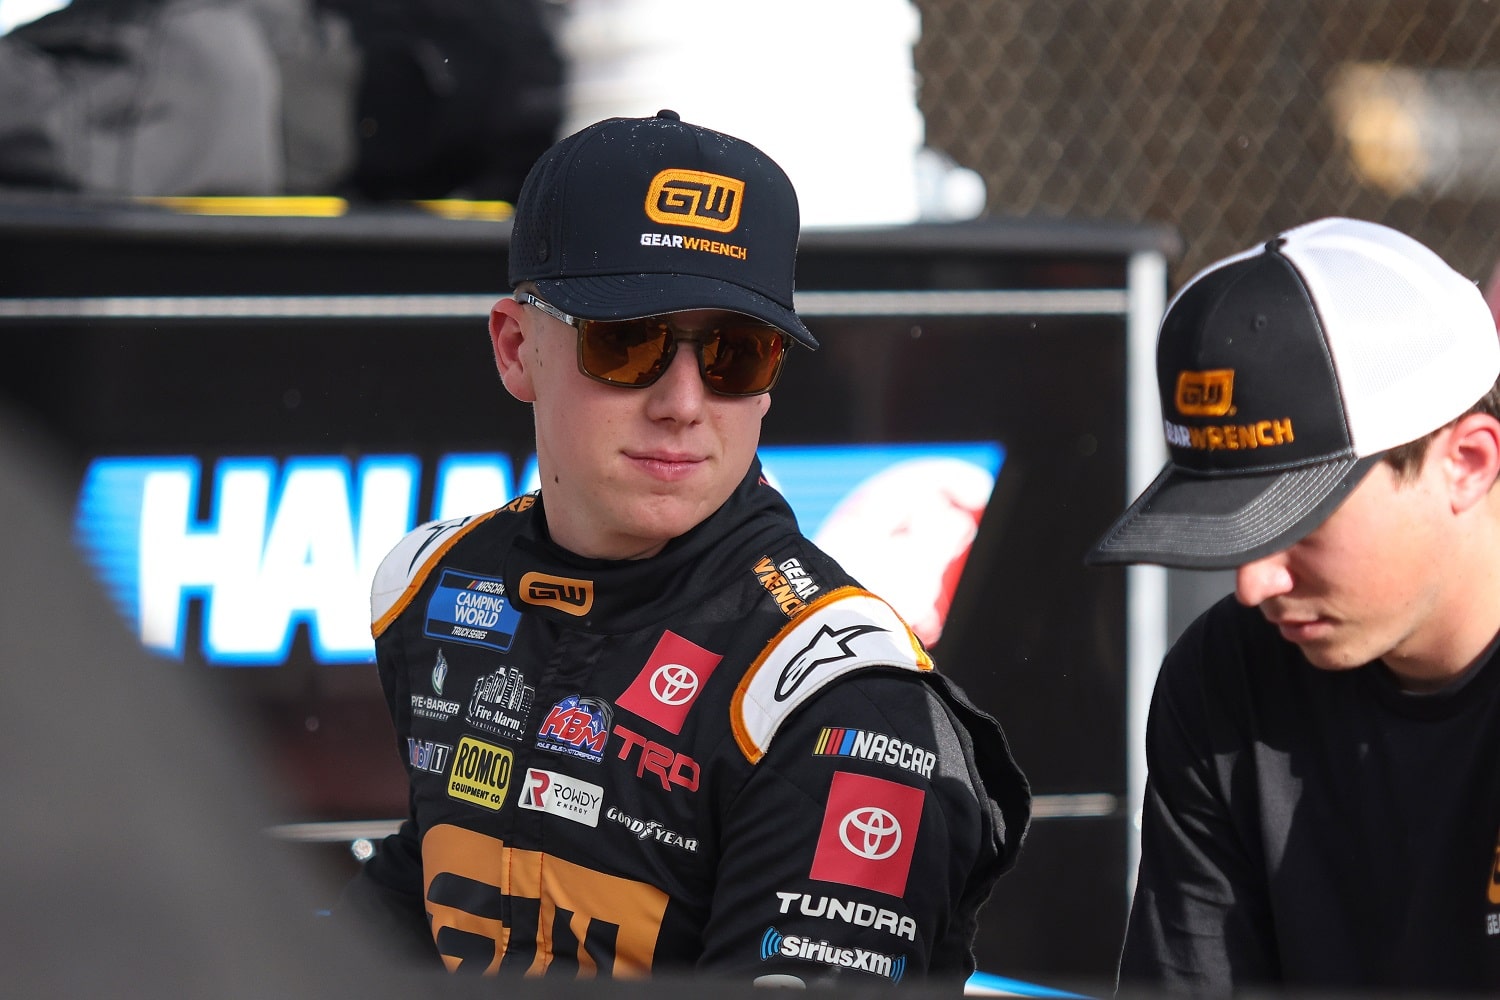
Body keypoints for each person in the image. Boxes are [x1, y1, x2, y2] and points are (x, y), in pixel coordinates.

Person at [335, 109, 1030, 988]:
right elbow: (424, 884)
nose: (684, 401)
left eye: (737, 354)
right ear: (517, 349)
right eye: (628, 343)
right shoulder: (435, 585)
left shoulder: (837, 702)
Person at [1087, 217, 1500, 995]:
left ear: (1466, 464)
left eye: (1296, 520)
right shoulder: (1225, 678)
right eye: (1230, 526)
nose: (1252, 583)